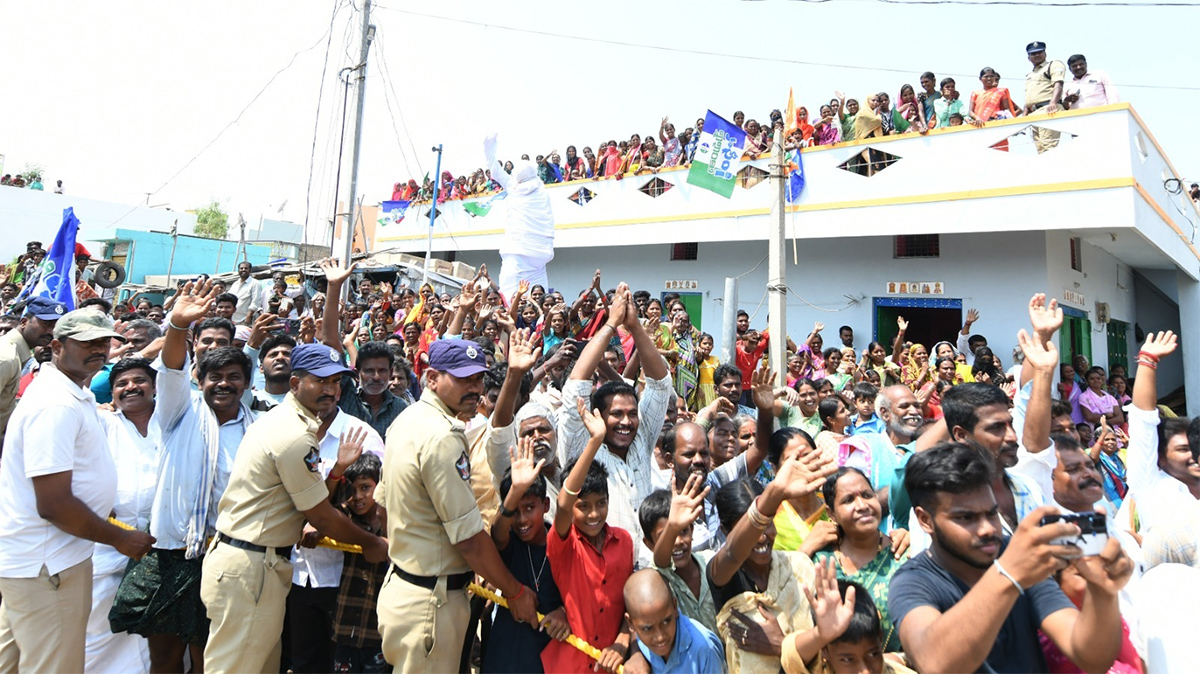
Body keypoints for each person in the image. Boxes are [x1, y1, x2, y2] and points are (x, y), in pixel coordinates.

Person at [200, 343, 390, 673]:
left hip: (258, 561)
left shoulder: (286, 423)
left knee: (258, 665)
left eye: (336, 382)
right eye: (321, 381)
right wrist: (372, 543)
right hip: (251, 565)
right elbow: (319, 515)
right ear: (295, 384)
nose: (331, 390)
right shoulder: (293, 434)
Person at [107, 280, 255, 673]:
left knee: (210, 656)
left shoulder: (257, 429)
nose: (223, 383)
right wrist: (175, 324)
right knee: (166, 657)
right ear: (200, 380)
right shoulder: (179, 410)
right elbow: (171, 367)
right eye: (214, 376)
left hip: (227, 556)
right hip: (173, 552)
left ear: (246, 383)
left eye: (233, 376)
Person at [889, 442, 1134, 674]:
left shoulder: (1012, 554)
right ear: (925, 520)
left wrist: (1102, 591)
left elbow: (1091, 657)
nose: (986, 529)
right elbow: (934, 662)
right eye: (965, 518)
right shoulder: (912, 581)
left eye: (992, 513)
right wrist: (1009, 573)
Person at [0, 309, 154, 672]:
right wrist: (118, 538)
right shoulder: (55, 404)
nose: (98, 350)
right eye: (86, 343)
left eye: (104, 342)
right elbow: (53, 504)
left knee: (12, 660)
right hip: (48, 563)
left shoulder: (72, 394)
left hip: (43, 559)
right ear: (56, 345)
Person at [375, 339, 539, 672]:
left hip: (405, 589)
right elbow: (468, 538)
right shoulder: (442, 435)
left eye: (478, 379)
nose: (475, 389)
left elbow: (382, 509)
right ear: (432, 378)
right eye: (463, 379)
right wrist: (515, 591)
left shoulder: (407, 420)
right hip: (430, 602)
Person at [545, 399, 635, 674]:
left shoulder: (624, 541)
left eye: (601, 503)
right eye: (583, 506)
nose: (594, 514)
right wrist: (595, 441)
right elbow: (562, 504)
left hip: (611, 666)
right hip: (568, 665)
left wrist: (622, 639)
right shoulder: (563, 542)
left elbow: (631, 603)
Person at [87, 358, 160, 673]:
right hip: (108, 549)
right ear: (111, 395)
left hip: (163, 550)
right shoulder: (101, 422)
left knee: (154, 642)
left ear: (155, 387)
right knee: (99, 633)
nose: (131, 387)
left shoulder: (174, 421)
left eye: (139, 380)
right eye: (121, 384)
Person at [484, 439, 568, 674]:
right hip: (505, 657)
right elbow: (497, 532)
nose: (521, 520)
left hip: (547, 660)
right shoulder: (511, 541)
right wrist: (516, 491)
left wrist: (565, 612)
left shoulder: (563, 543)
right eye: (515, 512)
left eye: (529, 508)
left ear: (546, 505)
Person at [812, 468, 908, 652]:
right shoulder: (820, 562)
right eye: (849, 500)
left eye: (867, 495)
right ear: (831, 513)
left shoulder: (902, 554)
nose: (862, 505)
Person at [319, 259, 408, 440]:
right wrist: (334, 286)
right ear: (357, 372)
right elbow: (330, 343)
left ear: (391, 372)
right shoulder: (346, 396)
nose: (376, 377)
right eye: (369, 371)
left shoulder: (402, 409)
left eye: (382, 370)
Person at [783, 564, 915, 674]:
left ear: (880, 639)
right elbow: (791, 655)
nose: (865, 671)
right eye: (848, 660)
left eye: (873, 654)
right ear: (825, 651)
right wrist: (820, 635)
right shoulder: (820, 670)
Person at [330, 454, 391, 674]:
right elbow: (326, 518)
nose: (358, 497)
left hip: (378, 632)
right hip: (345, 628)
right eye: (352, 490)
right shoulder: (345, 519)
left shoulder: (394, 525)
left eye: (365, 488)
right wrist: (317, 527)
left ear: (380, 486)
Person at [485, 135, 556, 298]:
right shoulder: (541, 188)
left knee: (510, 297)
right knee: (539, 298)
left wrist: (489, 147)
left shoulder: (513, 186)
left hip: (517, 252)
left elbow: (495, 170)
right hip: (541, 253)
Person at [623, 569, 726, 673]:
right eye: (647, 628)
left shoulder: (704, 649)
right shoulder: (641, 644)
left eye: (666, 621)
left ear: (674, 606)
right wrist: (636, 654)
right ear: (630, 623)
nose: (660, 637)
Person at [0, 296, 66, 445]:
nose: (50, 331)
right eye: (45, 324)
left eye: (55, 326)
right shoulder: (6, 357)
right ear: (24, 322)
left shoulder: (16, 353)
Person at [1024, 41, 1066, 153]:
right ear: (1029, 58)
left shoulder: (1053, 65)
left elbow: (1058, 84)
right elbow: (1030, 96)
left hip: (1048, 109)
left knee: (1048, 148)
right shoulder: (1030, 75)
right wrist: (1024, 116)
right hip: (1034, 113)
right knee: (1040, 149)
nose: (1037, 55)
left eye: (1039, 52)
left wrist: (1053, 103)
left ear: (1045, 53)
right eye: (1033, 54)